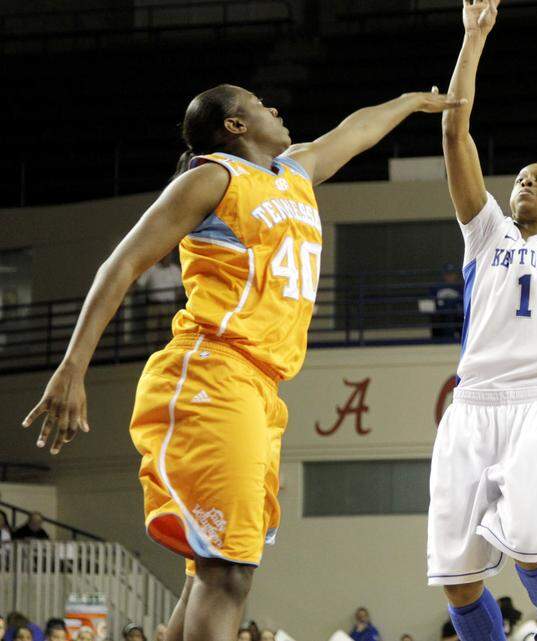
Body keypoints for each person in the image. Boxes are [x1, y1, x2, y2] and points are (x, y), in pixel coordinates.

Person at [21, 81, 460, 641]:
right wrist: (72, 368)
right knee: (228, 574)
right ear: (234, 126)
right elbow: (123, 263)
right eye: (260, 105)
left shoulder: (294, 172)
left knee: (210, 573)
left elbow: (354, 132)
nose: (275, 109)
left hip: (259, 387)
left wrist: (410, 103)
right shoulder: (212, 177)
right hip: (212, 371)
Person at [430, 6, 537, 641]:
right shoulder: (484, 233)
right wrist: (473, 36)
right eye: (521, 178)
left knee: (534, 541)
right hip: (472, 403)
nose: (528, 181)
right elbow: (455, 134)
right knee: (457, 580)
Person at [134, 252, 184, 347]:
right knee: (152, 329)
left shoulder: (175, 270)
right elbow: (140, 284)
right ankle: (150, 352)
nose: (166, 257)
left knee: (169, 330)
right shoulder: (151, 269)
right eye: (165, 255)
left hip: (170, 305)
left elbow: (181, 288)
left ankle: (167, 351)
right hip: (154, 305)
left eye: (168, 255)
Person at [430, 265, 465, 340]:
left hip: (457, 315)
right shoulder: (436, 287)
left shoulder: (460, 287)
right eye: (447, 275)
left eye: (451, 274)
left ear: (455, 275)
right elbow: (431, 302)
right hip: (441, 314)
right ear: (443, 275)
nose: (450, 277)